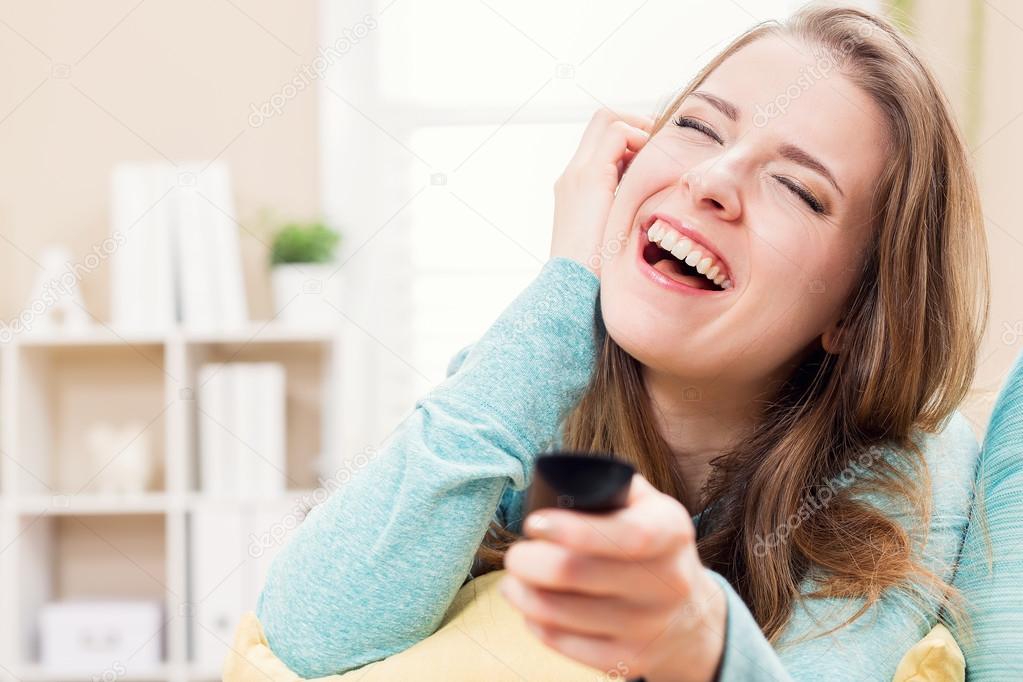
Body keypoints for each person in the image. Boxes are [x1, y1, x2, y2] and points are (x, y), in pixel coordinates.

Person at [256, 4, 1011, 680]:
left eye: (797, 187)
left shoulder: (905, 468)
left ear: (855, 312)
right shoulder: (532, 377)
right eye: (696, 127)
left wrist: (701, 638)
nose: (713, 176)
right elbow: (310, 633)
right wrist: (562, 287)